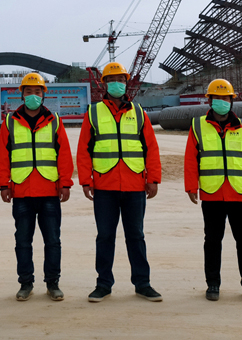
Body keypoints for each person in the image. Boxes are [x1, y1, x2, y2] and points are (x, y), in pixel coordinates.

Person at [77, 62, 163, 303]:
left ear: (126, 82)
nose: (117, 83)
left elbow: (151, 148)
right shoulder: (93, 113)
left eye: (121, 79)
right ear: (104, 83)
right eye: (112, 79)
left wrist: (153, 178)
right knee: (105, 236)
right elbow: (84, 150)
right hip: (104, 187)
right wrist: (85, 181)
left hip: (135, 186)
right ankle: (103, 284)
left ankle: (143, 284)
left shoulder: (139, 112)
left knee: (136, 236)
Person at [184, 78, 242, 303]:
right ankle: (213, 283)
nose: (222, 102)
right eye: (217, 98)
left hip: (240, 193)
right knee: (212, 241)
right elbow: (191, 159)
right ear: (209, 100)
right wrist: (191, 186)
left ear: (232, 101)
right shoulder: (198, 125)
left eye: (226, 98)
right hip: (212, 193)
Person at [0, 72, 73, 302]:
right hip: (21, 191)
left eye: (37, 92)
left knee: (53, 241)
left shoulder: (54, 120)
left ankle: (53, 283)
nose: (33, 95)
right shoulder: (10, 122)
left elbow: (64, 155)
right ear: (22, 94)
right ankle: (25, 283)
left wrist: (65, 183)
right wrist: (3, 185)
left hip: (49, 191)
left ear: (43, 94)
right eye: (28, 92)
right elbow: (3, 156)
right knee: (22, 242)